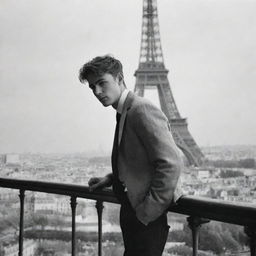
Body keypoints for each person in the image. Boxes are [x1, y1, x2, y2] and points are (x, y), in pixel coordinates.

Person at [79, 55, 183, 256]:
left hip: (146, 219)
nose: (97, 92)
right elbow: (139, 162)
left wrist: (146, 213)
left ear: (119, 78)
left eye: (102, 83)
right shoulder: (125, 111)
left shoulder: (141, 109)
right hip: (134, 213)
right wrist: (111, 178)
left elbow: (171, 163)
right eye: (93, 87)